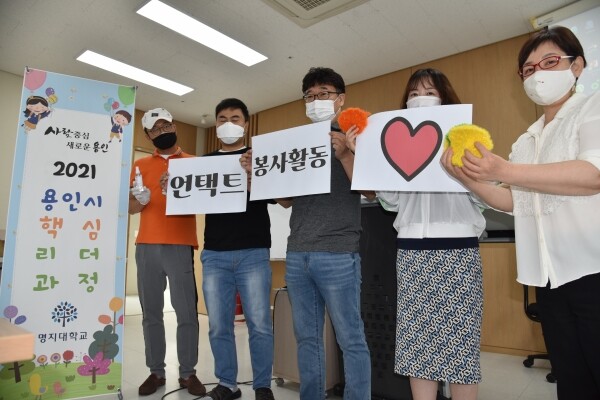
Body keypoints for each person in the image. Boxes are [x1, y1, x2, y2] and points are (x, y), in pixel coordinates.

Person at [441, 26, 600, 399]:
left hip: (592, 267)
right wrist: (467, 178)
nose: (537, 74)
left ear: (577, 66)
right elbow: (514, 202)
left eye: (549, 62)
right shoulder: (526, 140)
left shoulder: (592, 107)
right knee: (572, 380)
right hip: (549, 278)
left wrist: (505, 170)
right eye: (528, 69)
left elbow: (592, 175)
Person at [346, 68, 485, 400]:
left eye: (430, 92)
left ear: (445, 99)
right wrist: (363, 154)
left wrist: (463, 166)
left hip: (457, 252)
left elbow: (485, 196)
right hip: (410, 253)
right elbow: (391, 201)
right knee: (417, 349)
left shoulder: (467, 140)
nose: (421, 99)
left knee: (461, 348)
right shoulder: (396, 145)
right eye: (413, 94)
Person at [242, 67, 373, 400]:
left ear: (341, 99)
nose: (316, 101)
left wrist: (345, 153)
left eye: (324, 93)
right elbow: (286, 199)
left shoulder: (357, 136)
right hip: (298, 252)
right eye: (310, 96)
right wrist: (258, 178)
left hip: (339, 252)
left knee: (351, 338)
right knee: (307, 339)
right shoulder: (296, 143)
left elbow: (372, 191)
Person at [201, 98, 275, 400]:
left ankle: (262, 386)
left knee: (260, 324)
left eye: (235, 118)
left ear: (245, 124)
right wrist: (173, 185)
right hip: (214, 253)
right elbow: (190, 197)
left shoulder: (259, 157)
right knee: (218, 325)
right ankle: (227, 384)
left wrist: (255, 175)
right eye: (222, 119)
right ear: (215, 124)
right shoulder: (204, 162)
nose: (228, 124)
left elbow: (280, 197)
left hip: (253, 252)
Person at [129, 108, 206, 397]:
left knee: (186, 311)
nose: (162, 132)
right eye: (155, 129)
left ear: (174, 127)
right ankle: (156, 372)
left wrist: (180, 190)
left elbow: (206, 201)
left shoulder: (194, 163)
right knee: (151, 313)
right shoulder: (139, 165)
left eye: (166, 126)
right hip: (147, 245)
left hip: (180, 243)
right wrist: (140, 200)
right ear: (148, 135)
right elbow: (130, 208)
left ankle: (188, 372)